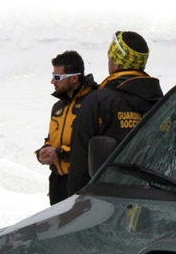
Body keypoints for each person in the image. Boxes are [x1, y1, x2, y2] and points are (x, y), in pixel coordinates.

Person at [66, 32, 164, 197]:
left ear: (117, 63)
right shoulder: (165, 104)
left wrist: (75, 205)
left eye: (110, 58)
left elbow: (80, 163)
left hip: (107, 203)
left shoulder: (98, 101)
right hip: (158, 200)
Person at [36, 50, 96, 205]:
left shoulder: (93, 102)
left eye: (57, 77)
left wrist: (60, 153)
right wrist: (45, 151)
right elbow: (53, 139)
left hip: (82, 184)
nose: (52, 81)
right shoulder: (58, 106)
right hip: (58, 183)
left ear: (74, 78)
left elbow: (91, 147)